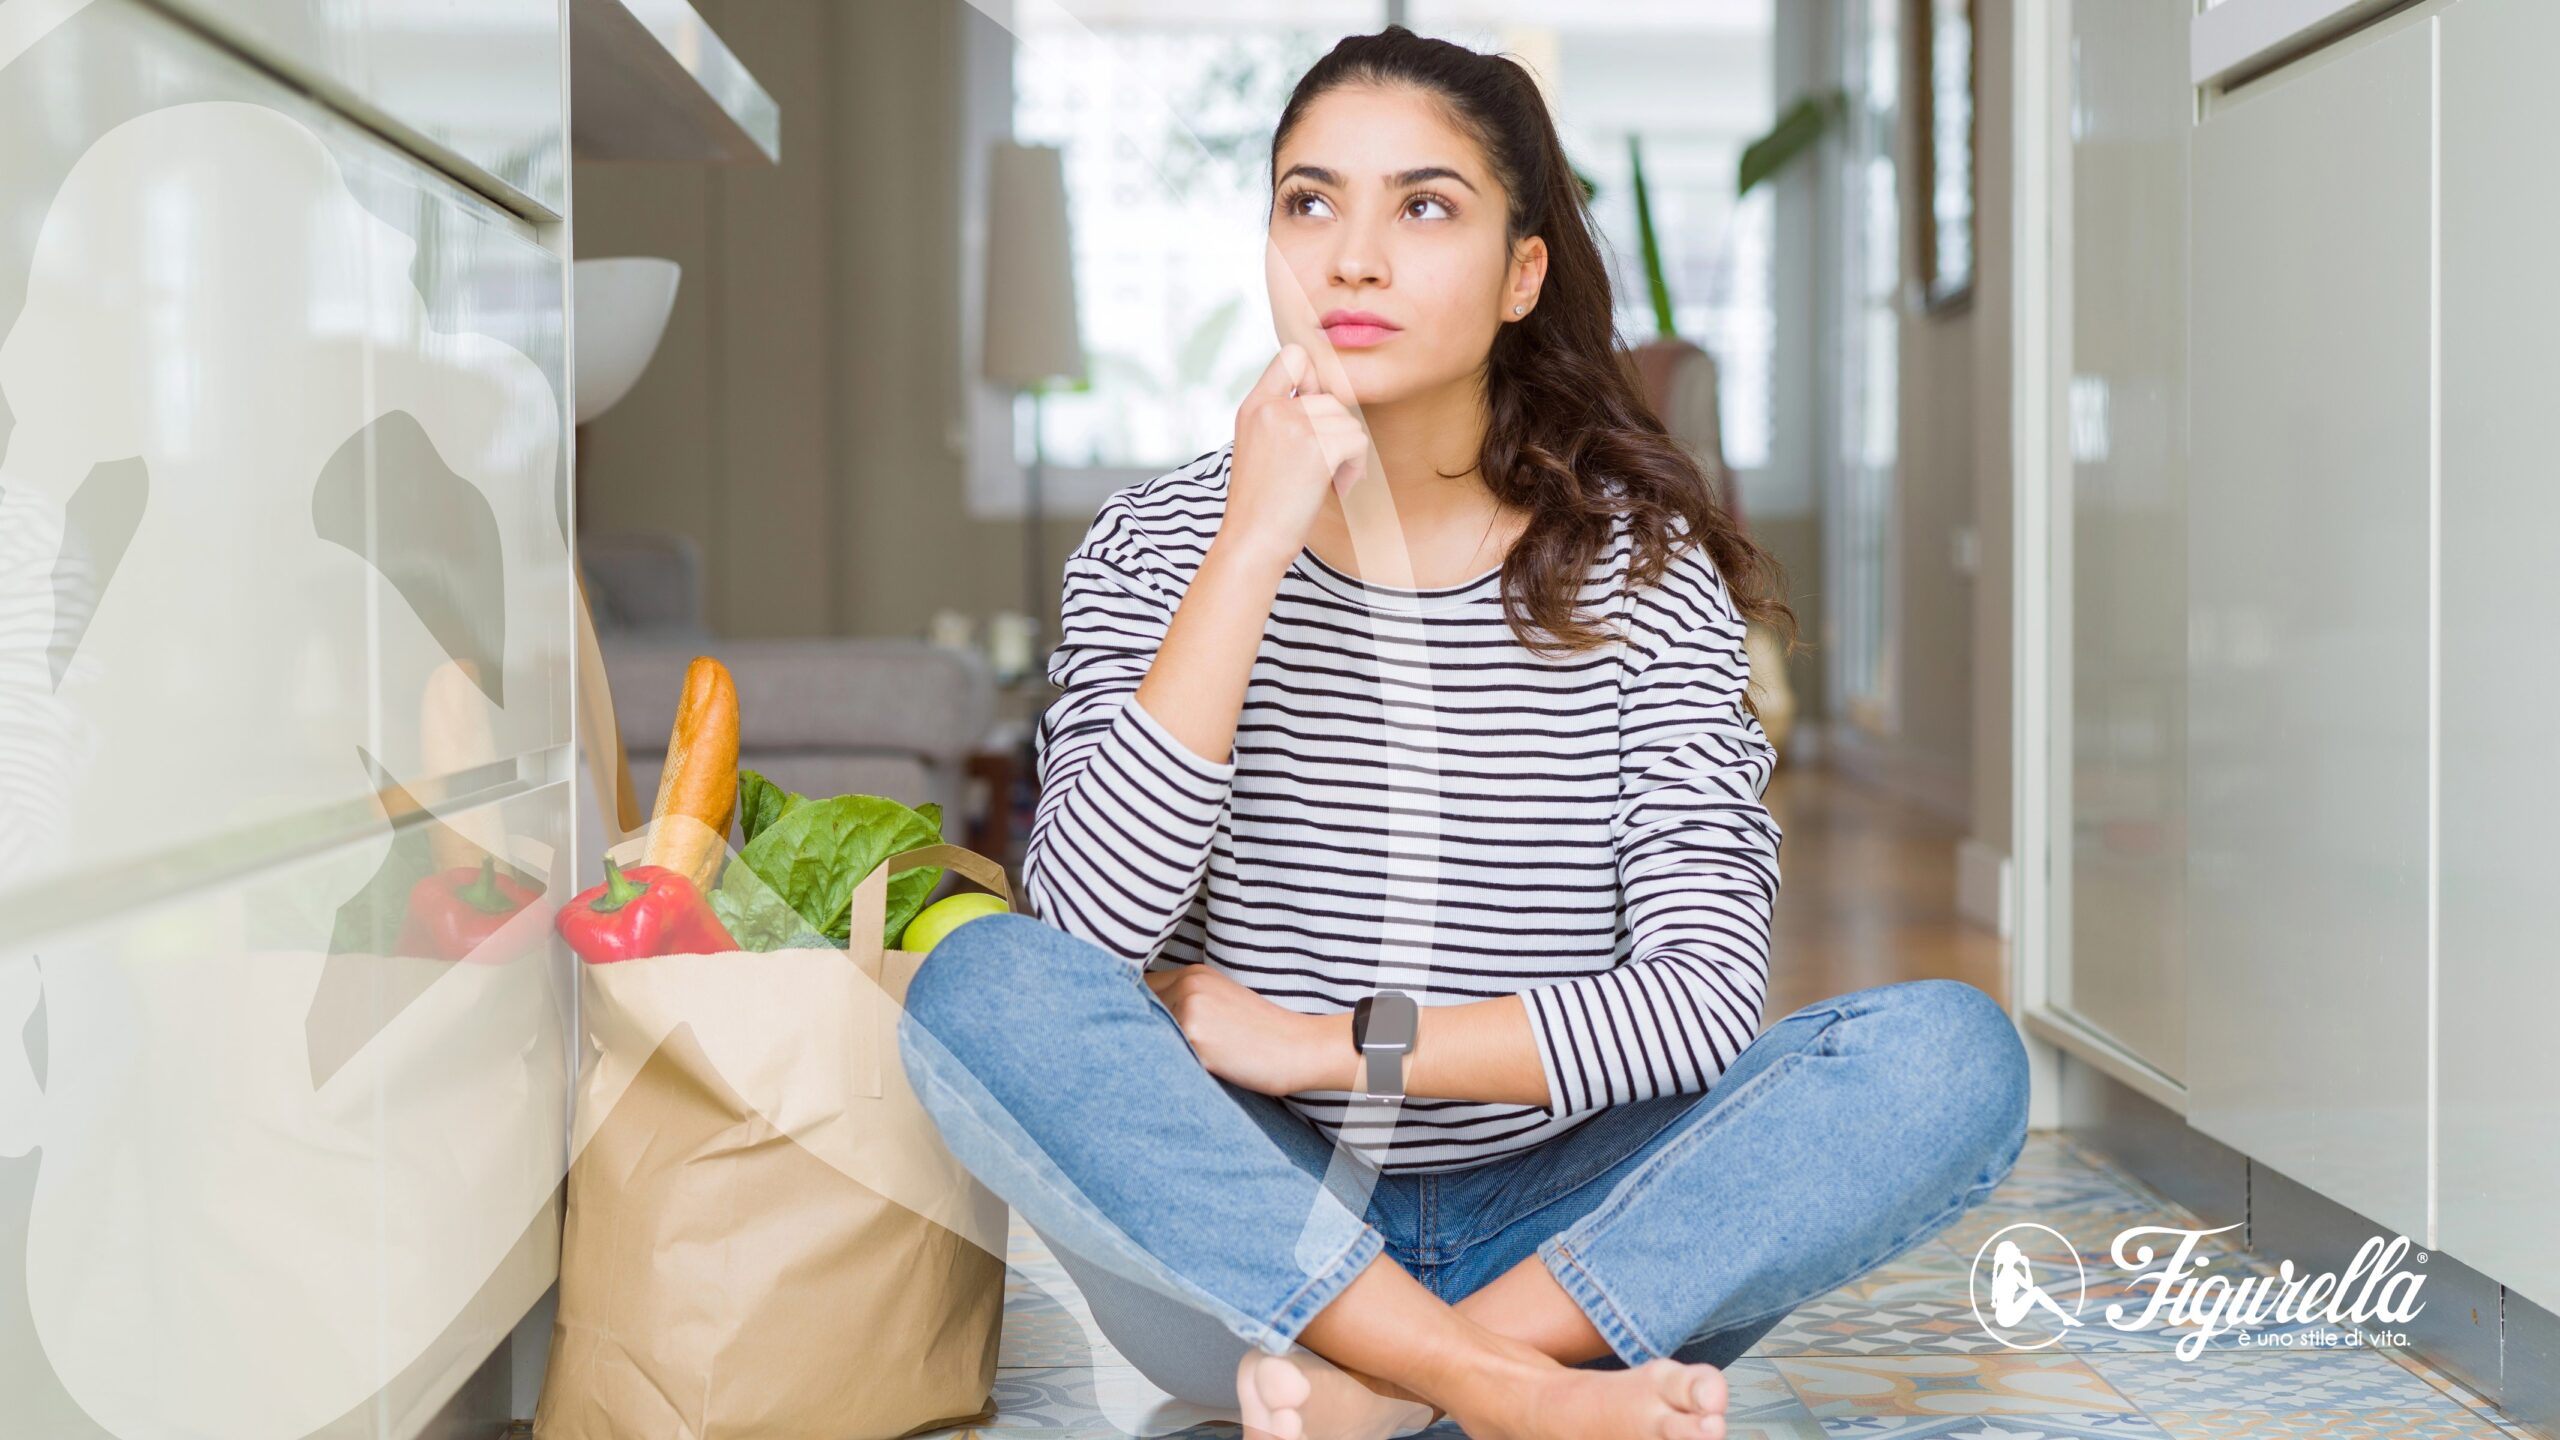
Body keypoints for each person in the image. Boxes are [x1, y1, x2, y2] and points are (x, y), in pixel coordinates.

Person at [900, 25, 2030, 1440]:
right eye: (1310, 202)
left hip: (1572, 1245)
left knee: (1951, 1060)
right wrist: (1251, 540)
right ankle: (1491, 1391)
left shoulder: (1644, 575)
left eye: (1423, 205)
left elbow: (1694, 1005)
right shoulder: (1158, 544)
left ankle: (1396, 1386)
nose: (1352, 257)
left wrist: (1325, 1046)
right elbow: (1083, 951)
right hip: (1257, 1249)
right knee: (981, 983)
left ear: (1521, 273)